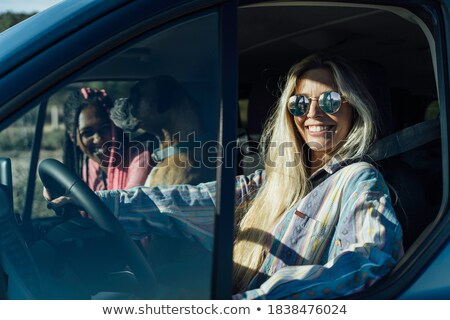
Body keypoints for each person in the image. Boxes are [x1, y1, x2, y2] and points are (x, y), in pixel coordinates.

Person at [49, 54, 404, 299]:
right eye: (299, 103)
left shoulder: (359, 180)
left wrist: (256, 300)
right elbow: (199, 200)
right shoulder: (277, 180)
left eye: (329, 100)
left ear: (352, 106)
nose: (311, 113)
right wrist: (101, 204)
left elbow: (369, 262)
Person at [63, 87, 152, 191]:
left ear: (115, 126)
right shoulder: (87, 171)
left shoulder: (139, 158)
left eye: (104, 128)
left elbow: (130, 202)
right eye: (87, 133)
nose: (98, 139)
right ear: (73, 137)